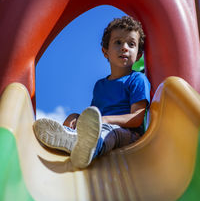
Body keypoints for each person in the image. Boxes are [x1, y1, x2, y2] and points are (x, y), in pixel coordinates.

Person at [33, 16, 151, 169]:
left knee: (110, 132)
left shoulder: (137, 79)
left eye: (131, 44)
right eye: (118, 42)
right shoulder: (100, 85)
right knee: (74, 116)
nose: (124, 47)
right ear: (105, 52)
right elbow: (94, 115)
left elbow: (137, 118)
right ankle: (70, 138)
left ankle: (90, 148)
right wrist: (79, 120)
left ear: (139, 55)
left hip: (128, 134)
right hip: (100, 127)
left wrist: (106, 120)